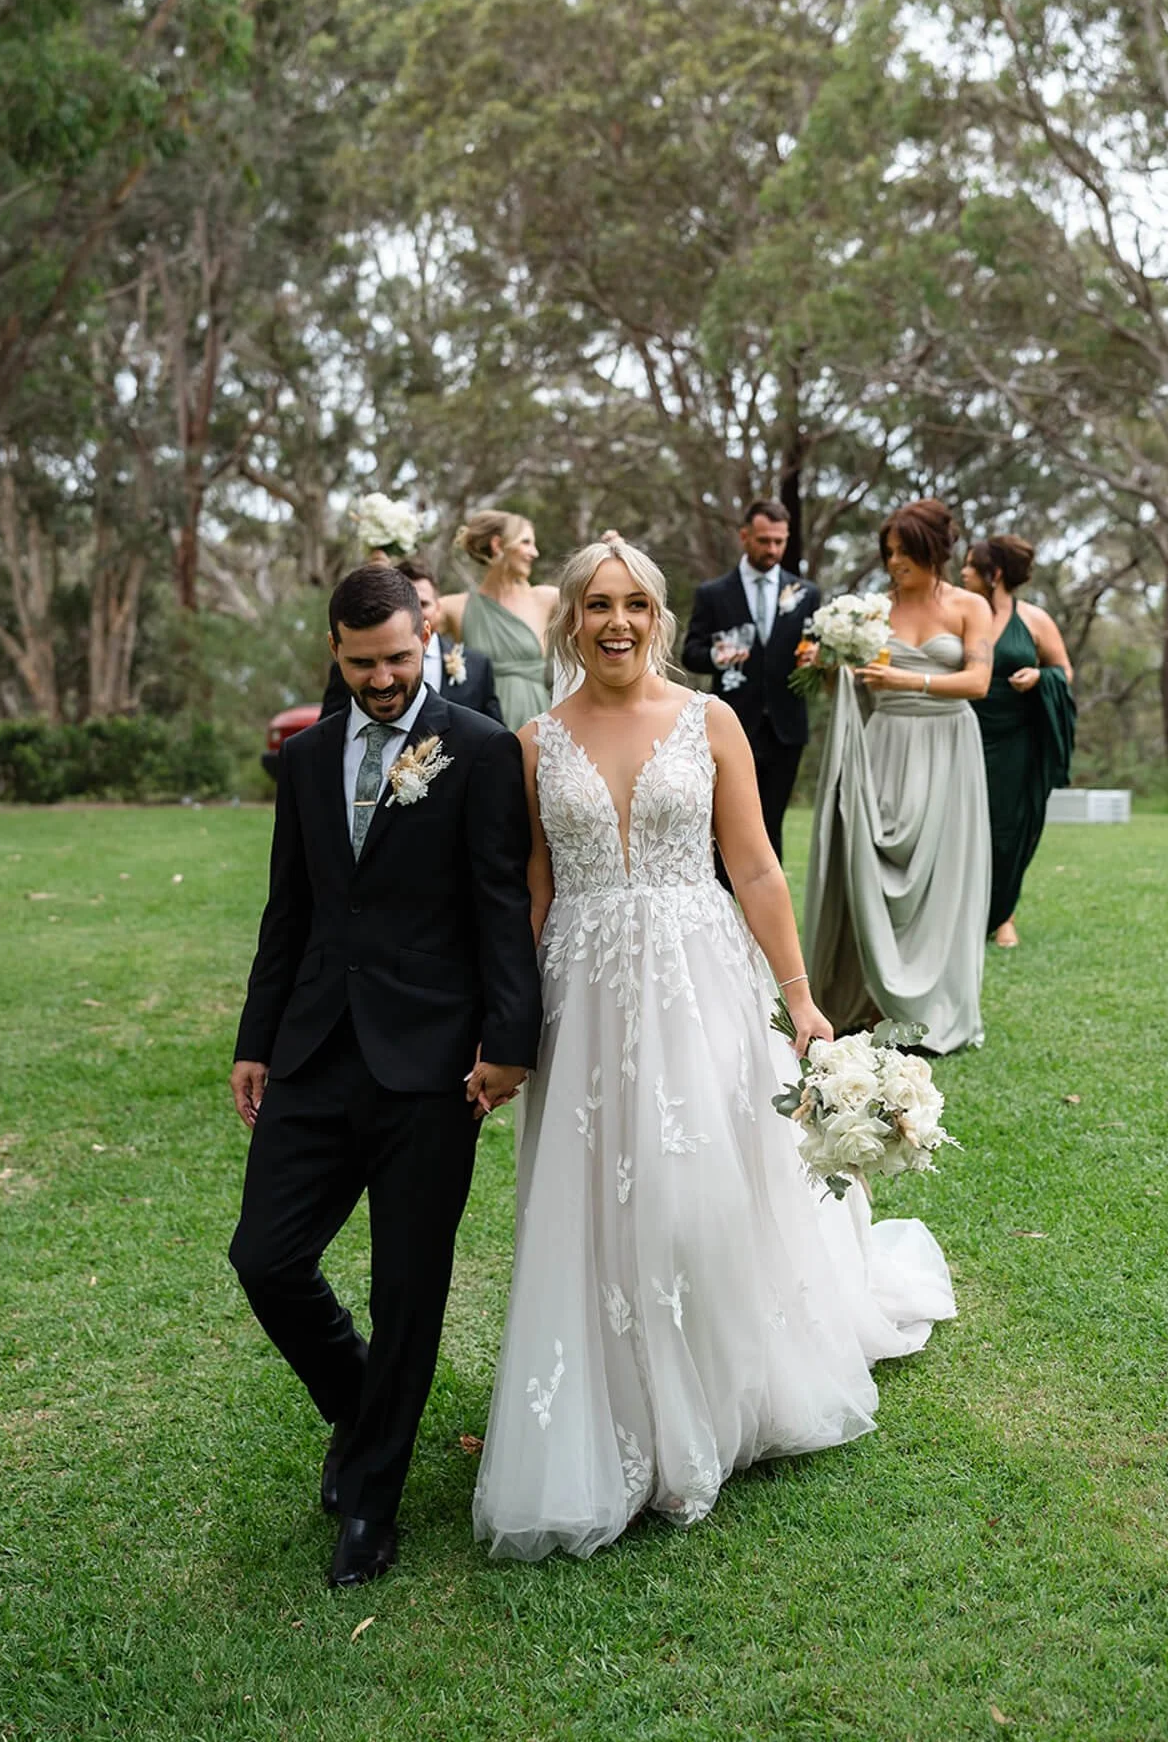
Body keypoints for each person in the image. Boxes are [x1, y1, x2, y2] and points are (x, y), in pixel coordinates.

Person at [471, 539, 955, 1562]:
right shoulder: (533, 740)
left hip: (700, 984)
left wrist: (802, 1001)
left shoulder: (710, 720)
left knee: (698, 1194)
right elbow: (534, 890)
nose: (615, 621)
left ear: (655, 616)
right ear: (570, 618)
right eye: (596, 603)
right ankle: (624, 1405)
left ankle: (724, 1380)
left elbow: (756, 868)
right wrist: (504, 1024)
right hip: (582, 996)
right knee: (602, 1199)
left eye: (634, 604)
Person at [228, 565, 541, 1588]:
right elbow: (289, 910)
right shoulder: (310, 755)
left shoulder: (480, 748)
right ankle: (364, 1401)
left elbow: (500, 904)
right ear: (333, 647)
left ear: (427, 643)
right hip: (317, 1049)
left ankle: (371, 1502)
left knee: (409, 1284)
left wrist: (508, 1041)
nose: (382, 677)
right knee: (265, 1258)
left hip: (432, 1062)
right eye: (362, 661)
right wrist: (255, 1039)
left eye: (399, 657)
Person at [803, 499, 993, 1055]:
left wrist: (911, 682)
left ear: (932, 550)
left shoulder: (968, 606)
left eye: (903, 552)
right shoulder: (871, 611)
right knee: (876, 869)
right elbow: (852, 680)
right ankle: (869, 1001)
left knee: (941, 881)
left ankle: (936, 1008)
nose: (894, 563)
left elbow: (978, 681)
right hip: (885, 744)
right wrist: (827, 664)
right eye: (888, 553)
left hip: (948, 745)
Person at [681, 499, 819, 860]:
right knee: (723, 822)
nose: (772, 549)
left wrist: (817, 659)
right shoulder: (713, 594)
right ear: (744, 536)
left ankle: (765, 911)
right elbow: (690, 652)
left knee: (772, 823)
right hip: (731, 723)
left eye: (779, 541)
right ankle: (723, 907)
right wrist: (716, 656)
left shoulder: (807, 594)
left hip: (786, 729)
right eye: (763, 540)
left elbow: (816, 651)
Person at [961, 535, 1076, 948]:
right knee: (963, 827)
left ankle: (1004, 914)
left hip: (1015, 742)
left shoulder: (1034, 619)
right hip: (964, 733)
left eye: (971, 566)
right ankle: (964, 914)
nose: (963, 572)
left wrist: (1038, 676)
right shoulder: (960, 613)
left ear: (994, 575)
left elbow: (1063, 670)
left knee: (1009, 829)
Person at [320, 557, 504, 725]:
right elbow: (329, 729)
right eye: (405, 605)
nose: (382, 680)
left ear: (438, 608)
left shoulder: (478, 666)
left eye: (423, 604)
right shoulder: (349, 662)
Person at [440, 510, 557, 728]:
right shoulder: (454, 608)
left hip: (537, 723)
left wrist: (615, 553)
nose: (535, 552)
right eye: (526, 542)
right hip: (481, 725)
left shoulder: (546, 599)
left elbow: (601, 604)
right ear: (498, 544)